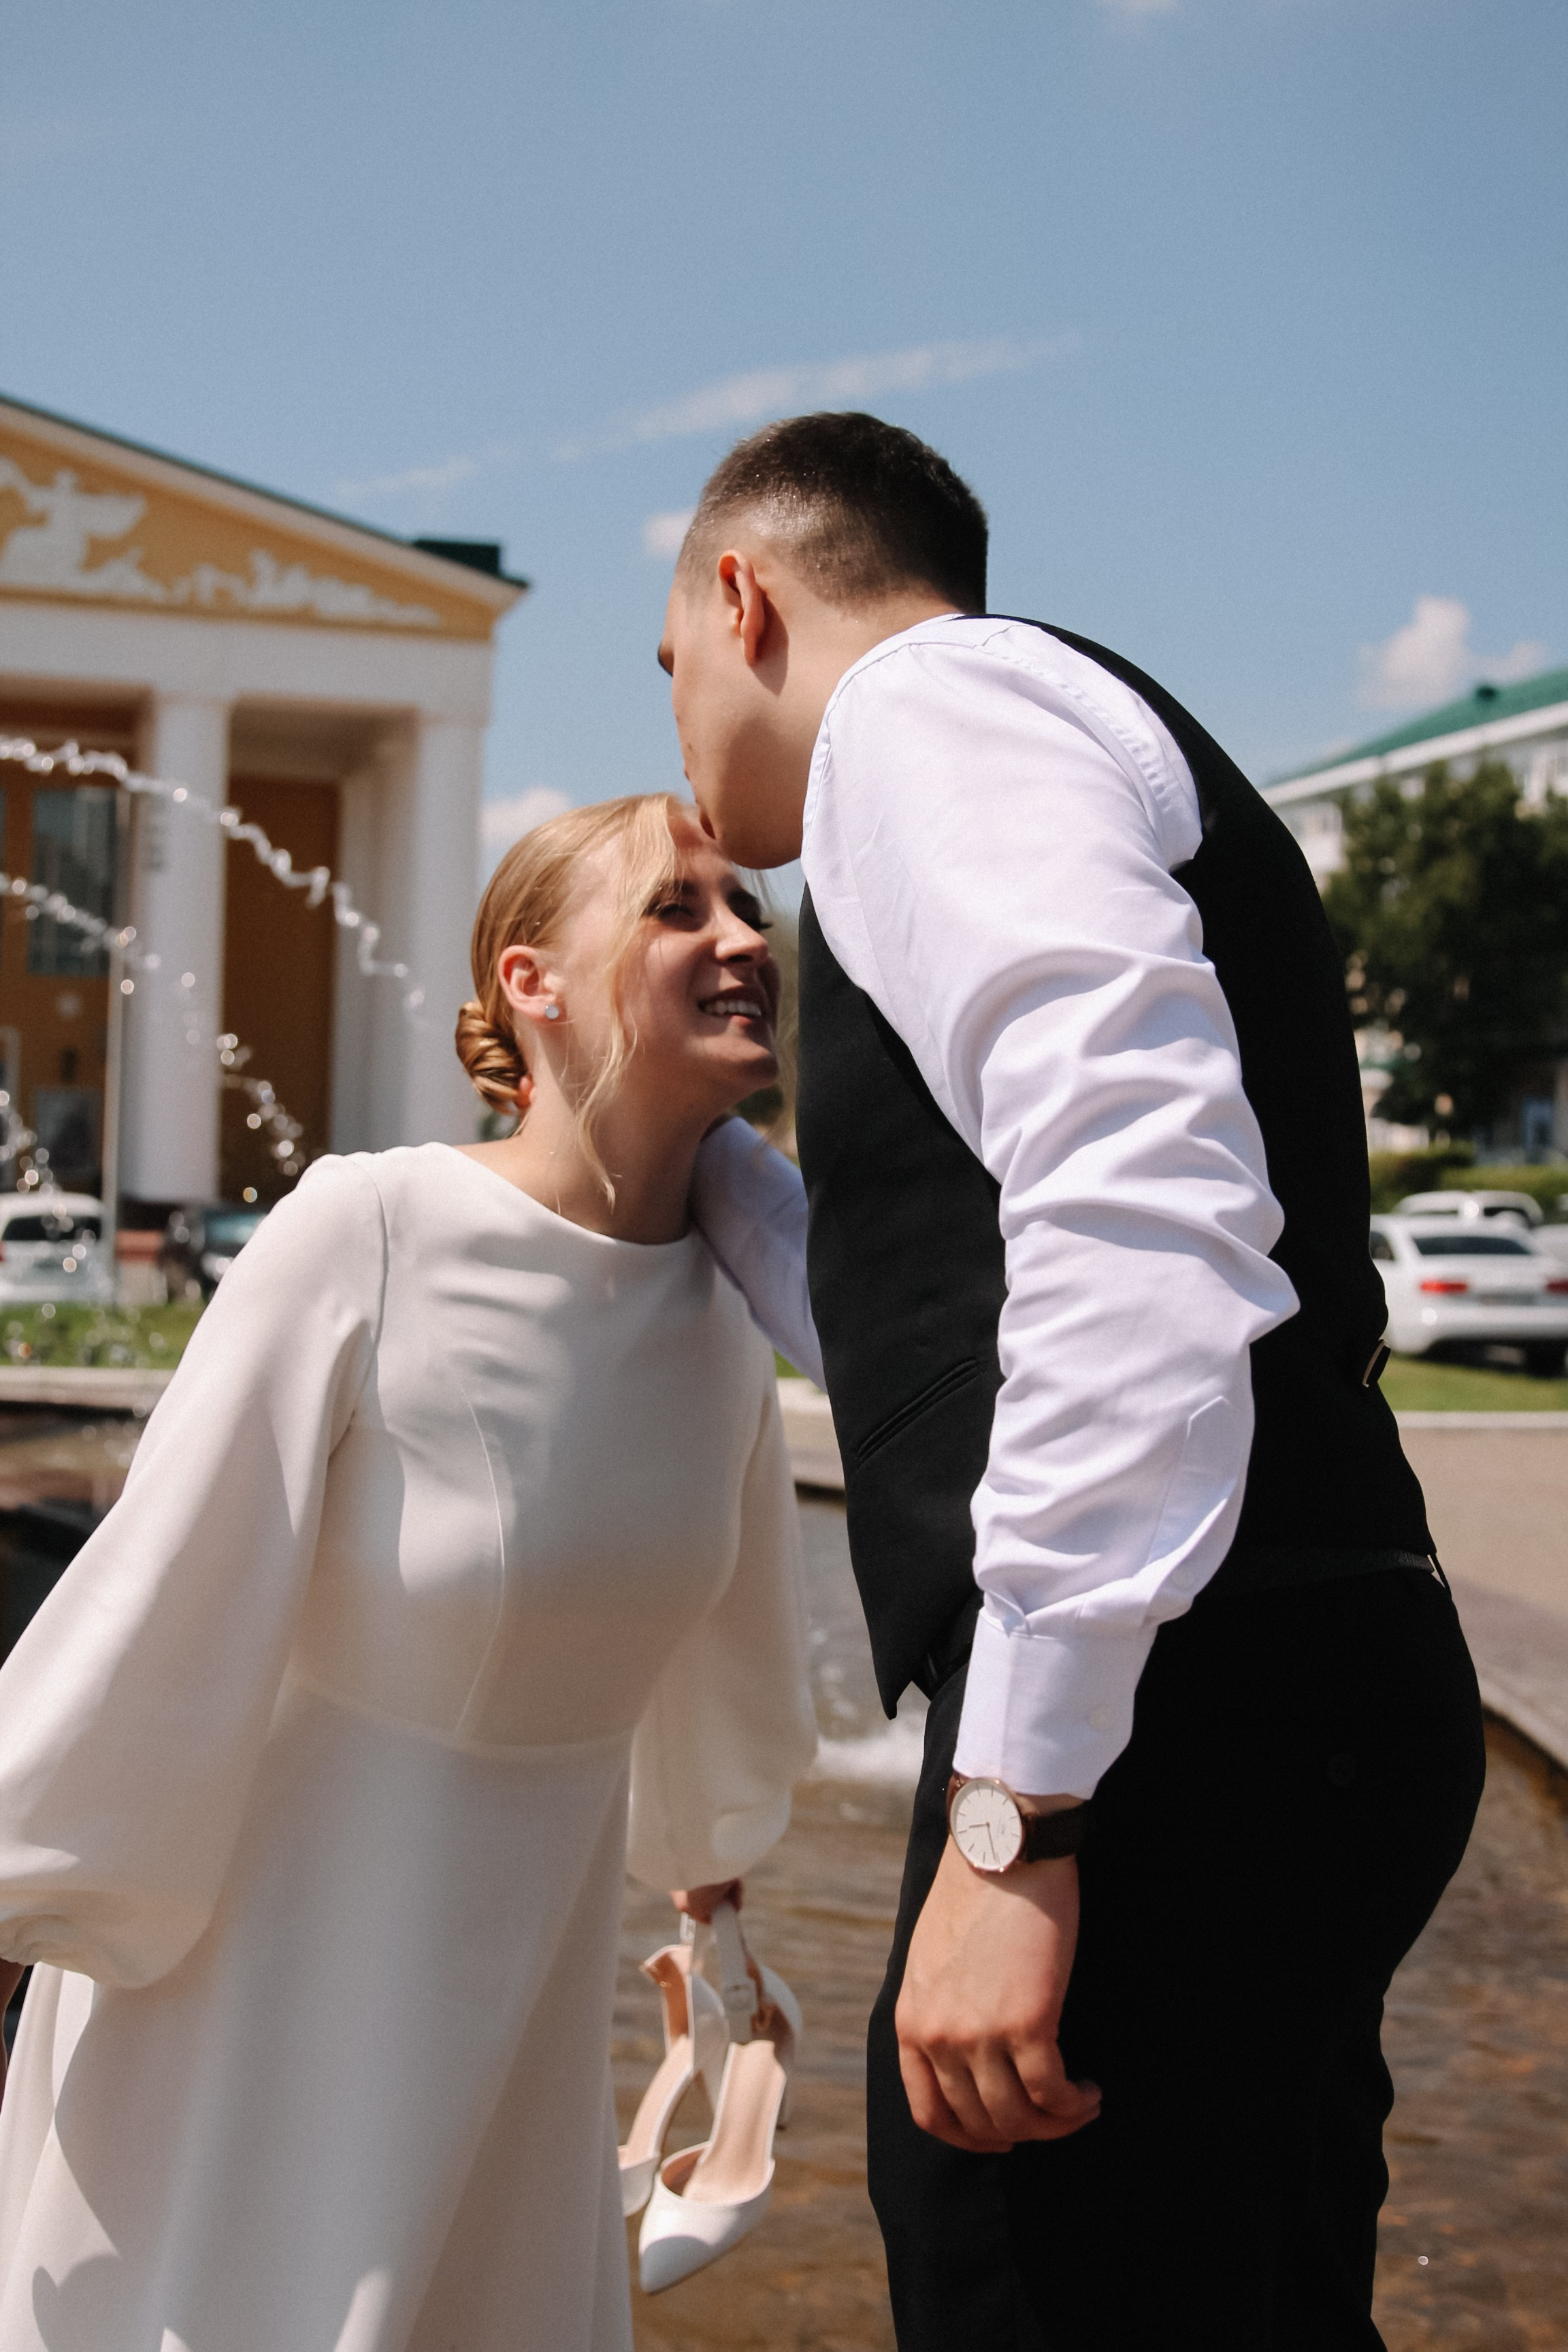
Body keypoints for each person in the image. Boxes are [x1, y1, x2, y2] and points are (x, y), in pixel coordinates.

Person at [668, 412, 1486, 2349]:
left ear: (743, 600)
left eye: (669, 664)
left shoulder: (923, 714)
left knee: (1023, 2286)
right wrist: (697, 1175)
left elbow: (1142, 1226)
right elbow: (964, 1323)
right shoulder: (1030, 727)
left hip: (1173, 1721)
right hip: (1297, 1666)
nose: (678, 729)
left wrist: (1019, 1817)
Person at [0, 793, 817, 2352]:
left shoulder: (729, 1309)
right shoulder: (369, 1227)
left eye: (749, 908)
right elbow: (159, 1595)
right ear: (531, 982)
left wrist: (715, 1889)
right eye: (678, 907)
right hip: (263, 2021)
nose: (742, 940)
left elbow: (730, 1653)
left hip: (523, 2039)